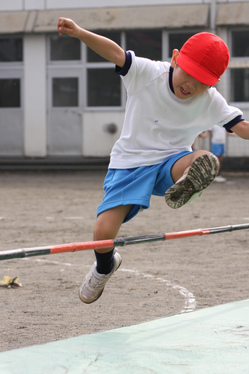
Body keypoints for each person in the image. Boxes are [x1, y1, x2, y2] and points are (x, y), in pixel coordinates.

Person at [57, 18, 249, 304]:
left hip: (171, 164)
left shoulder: (211, 100)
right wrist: (79, 33)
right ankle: (105, 266)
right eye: (189, 74)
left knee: (205, 159)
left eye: (203, 82)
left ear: (213, 84)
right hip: (130, 165)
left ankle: (188, 184)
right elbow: (115, 53)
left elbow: (241, 127)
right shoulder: (148, 74)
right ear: (174, 59)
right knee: (102, 232)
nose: (192, 86)